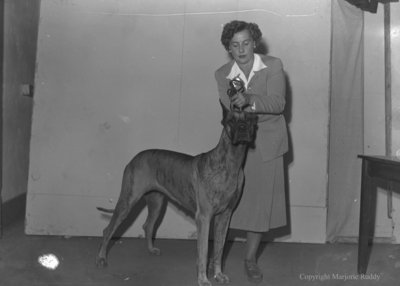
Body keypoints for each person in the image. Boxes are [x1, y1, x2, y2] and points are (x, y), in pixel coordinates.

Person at [215, 20, 289, 283]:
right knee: (226, 202)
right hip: (236, 145)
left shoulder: (274, 65)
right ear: (228, 48)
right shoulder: (222, 73)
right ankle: (215, 259)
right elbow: (232, 111)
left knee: (259, 206)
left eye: (246, 42)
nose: (242, 49)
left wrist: (249, 100)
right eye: (235, 45)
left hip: (267, 143)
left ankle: (250, 259)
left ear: (254, 42)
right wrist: (244, 104)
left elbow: (278, 103)